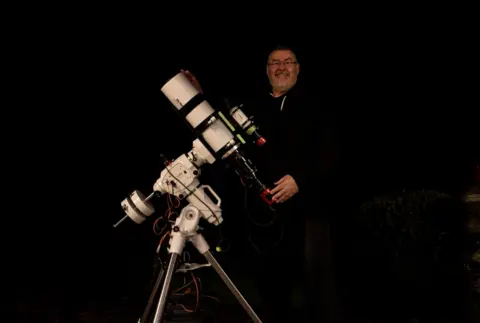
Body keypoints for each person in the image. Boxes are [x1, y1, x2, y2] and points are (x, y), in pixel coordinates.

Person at [181, 45, 340, 322]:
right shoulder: (252, 105)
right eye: (275, 63)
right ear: (267, 70)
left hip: (308, 215)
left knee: (315, 292)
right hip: (265, 218)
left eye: (288, 62)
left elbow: (332, 155)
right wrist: (197, 95)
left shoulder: (317, 105)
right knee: (271, 292)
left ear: (298, 68)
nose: (281, 67)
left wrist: (299, 180)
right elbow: (217, 126)